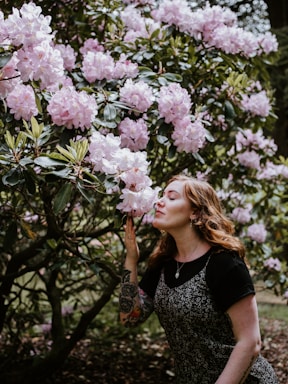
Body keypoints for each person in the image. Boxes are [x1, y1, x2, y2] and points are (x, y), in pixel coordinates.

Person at [119, 174, 278, 384]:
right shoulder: (162, 263)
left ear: (195, 213)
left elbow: (250, 343)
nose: (159, 201)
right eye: (162, 196)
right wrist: (131, 259)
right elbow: (129, 318)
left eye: (172, 197)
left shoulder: (224, 264)